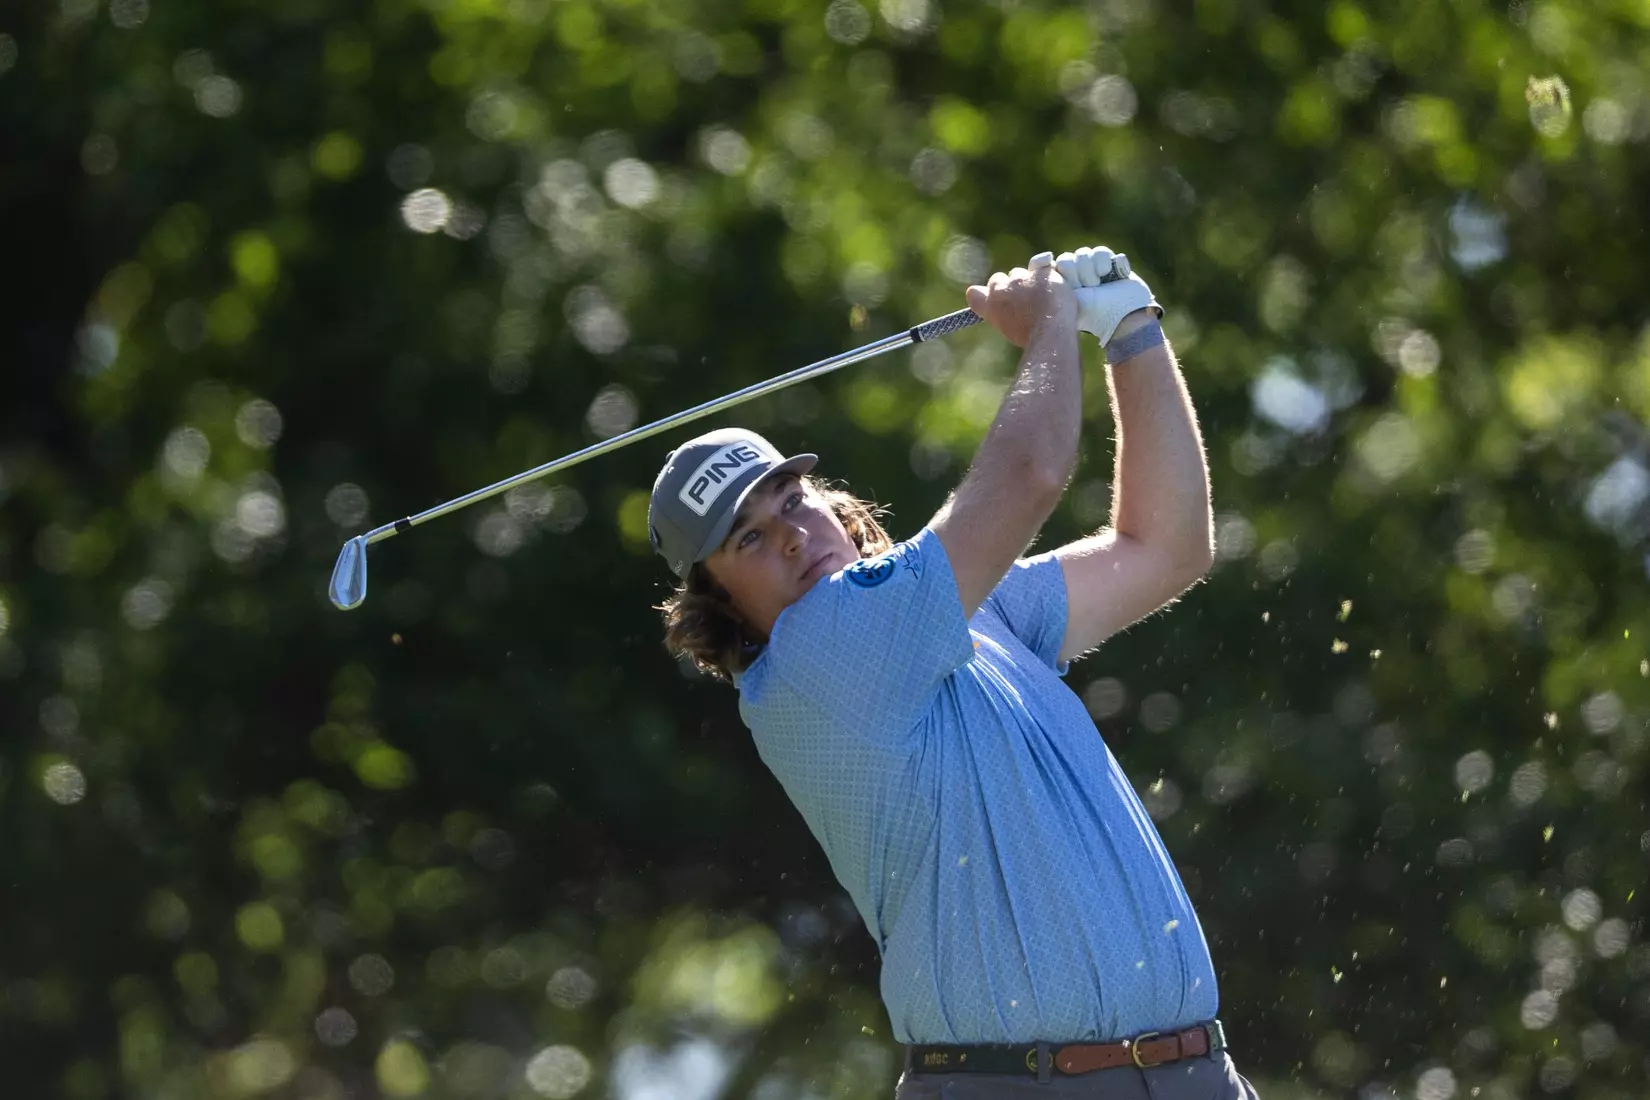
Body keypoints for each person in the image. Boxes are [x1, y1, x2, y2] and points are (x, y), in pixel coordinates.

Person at [646, 245, 1255, 1099]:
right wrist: (1050, 323)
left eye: (793, 501)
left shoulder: (975, 615)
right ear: (722, 606)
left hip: (1194, 1078)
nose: (790, 535)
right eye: (748, 539)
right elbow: (1033, 472)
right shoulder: (814, 658)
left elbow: (1167, 547)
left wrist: (1128, 331)